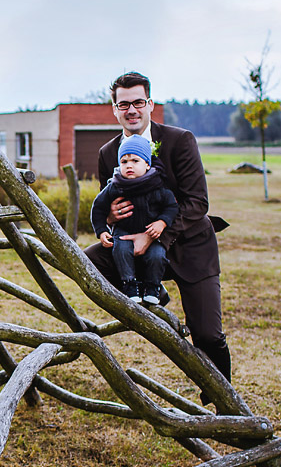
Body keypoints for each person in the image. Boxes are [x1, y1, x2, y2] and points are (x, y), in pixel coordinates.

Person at [84, 72, 232, 385]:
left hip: (190, 246)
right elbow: (109, 201)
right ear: (114, 109)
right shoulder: (107, 154)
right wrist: (110, 216)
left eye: (138, 102)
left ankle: (224, 400)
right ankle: (151, 291)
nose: (132, 110)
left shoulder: (180, 140)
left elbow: (197, 202)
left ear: (150, 104)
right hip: (137, 251)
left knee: (207, 334)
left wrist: (154, 235)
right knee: (90, 259)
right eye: (123, 104)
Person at [90, 134, 178, 305]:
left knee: (157, 256)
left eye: (135, 161)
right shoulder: (115, 185)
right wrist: (101, 231)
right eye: (124, 162)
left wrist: (162, 222)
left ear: (147, 164)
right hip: (123, 231)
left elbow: (171, 207)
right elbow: (98, 208)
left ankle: (153, 287)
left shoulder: (157, 185)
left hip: (151, 232)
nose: (129, 165)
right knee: (121, 252)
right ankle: (129, 285)